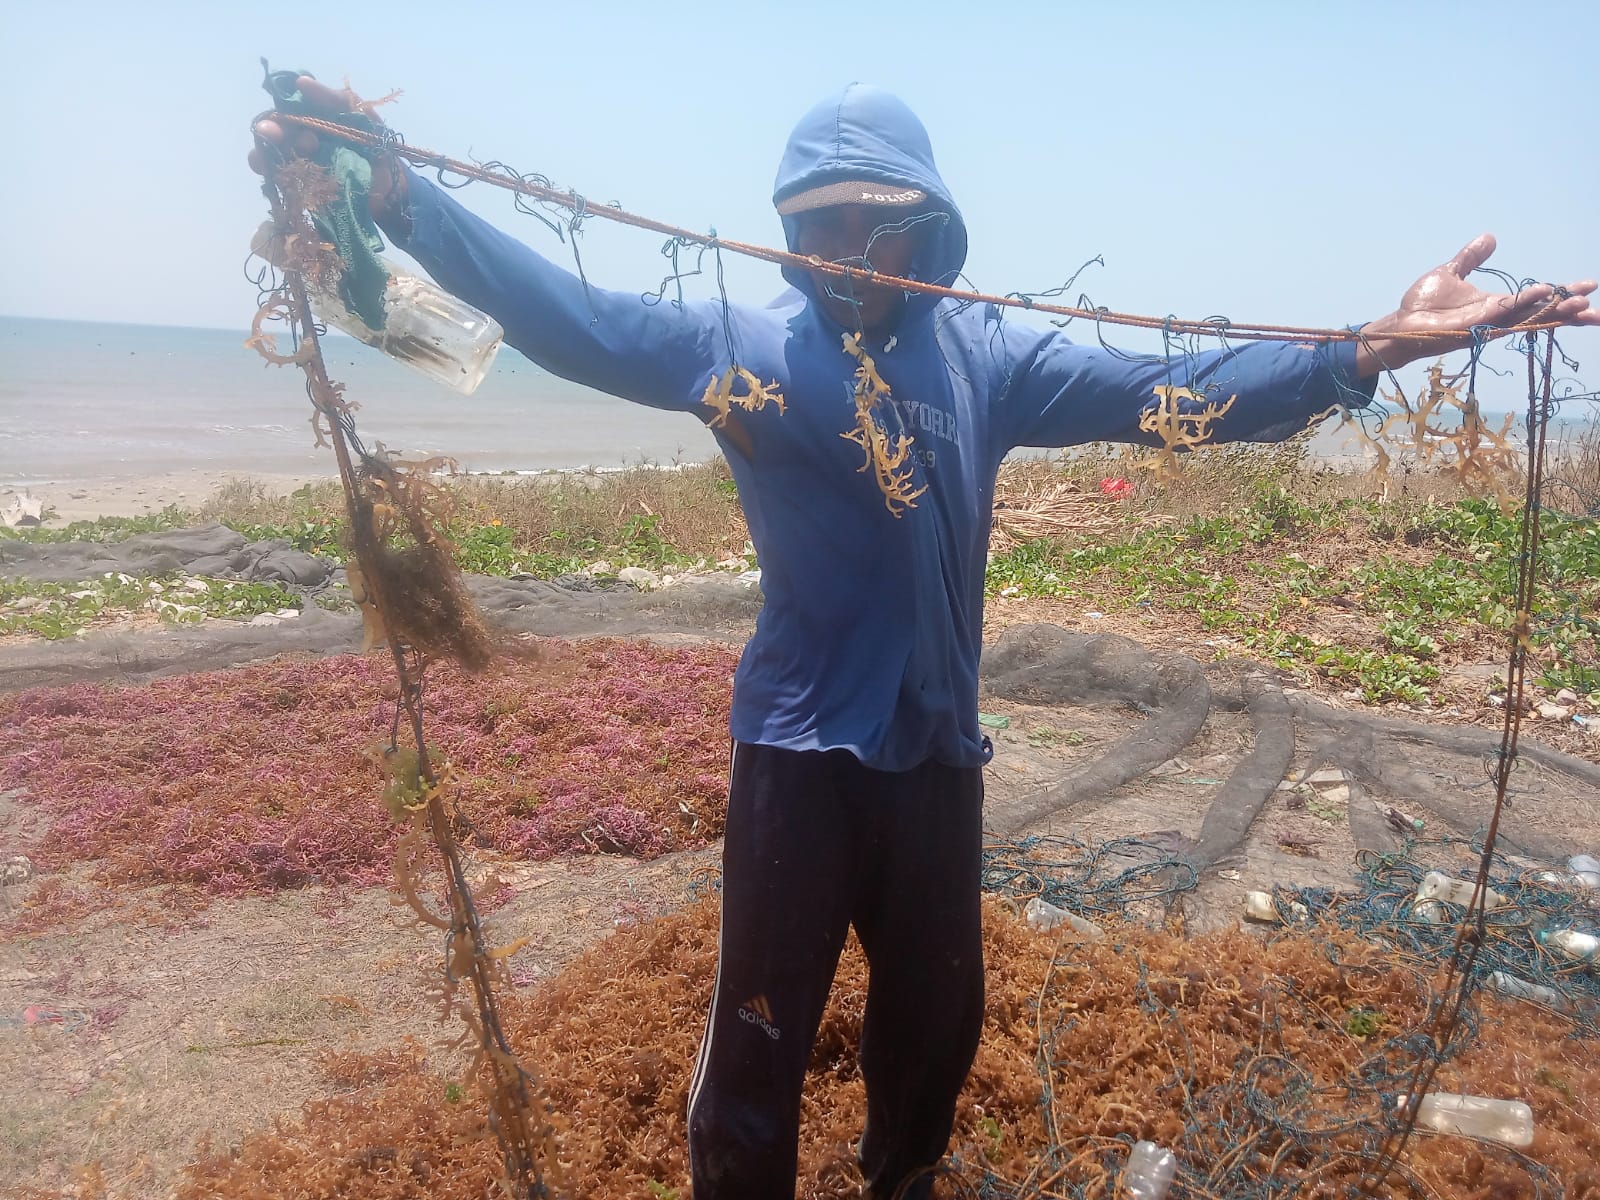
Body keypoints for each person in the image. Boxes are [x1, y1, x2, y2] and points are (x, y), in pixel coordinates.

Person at [251, 78, 1597, 1199]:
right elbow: (576, 322)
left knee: (936, 1030)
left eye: (876, 223)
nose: (848, 244)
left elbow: (1174, 388)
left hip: (936, 761)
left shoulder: (989, 362)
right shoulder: (740, 347)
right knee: (758, 1043)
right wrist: (406, 203)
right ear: (787, 232)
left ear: (925, 234)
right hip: (793, 757)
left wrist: (1372, 346)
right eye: (818, 221)